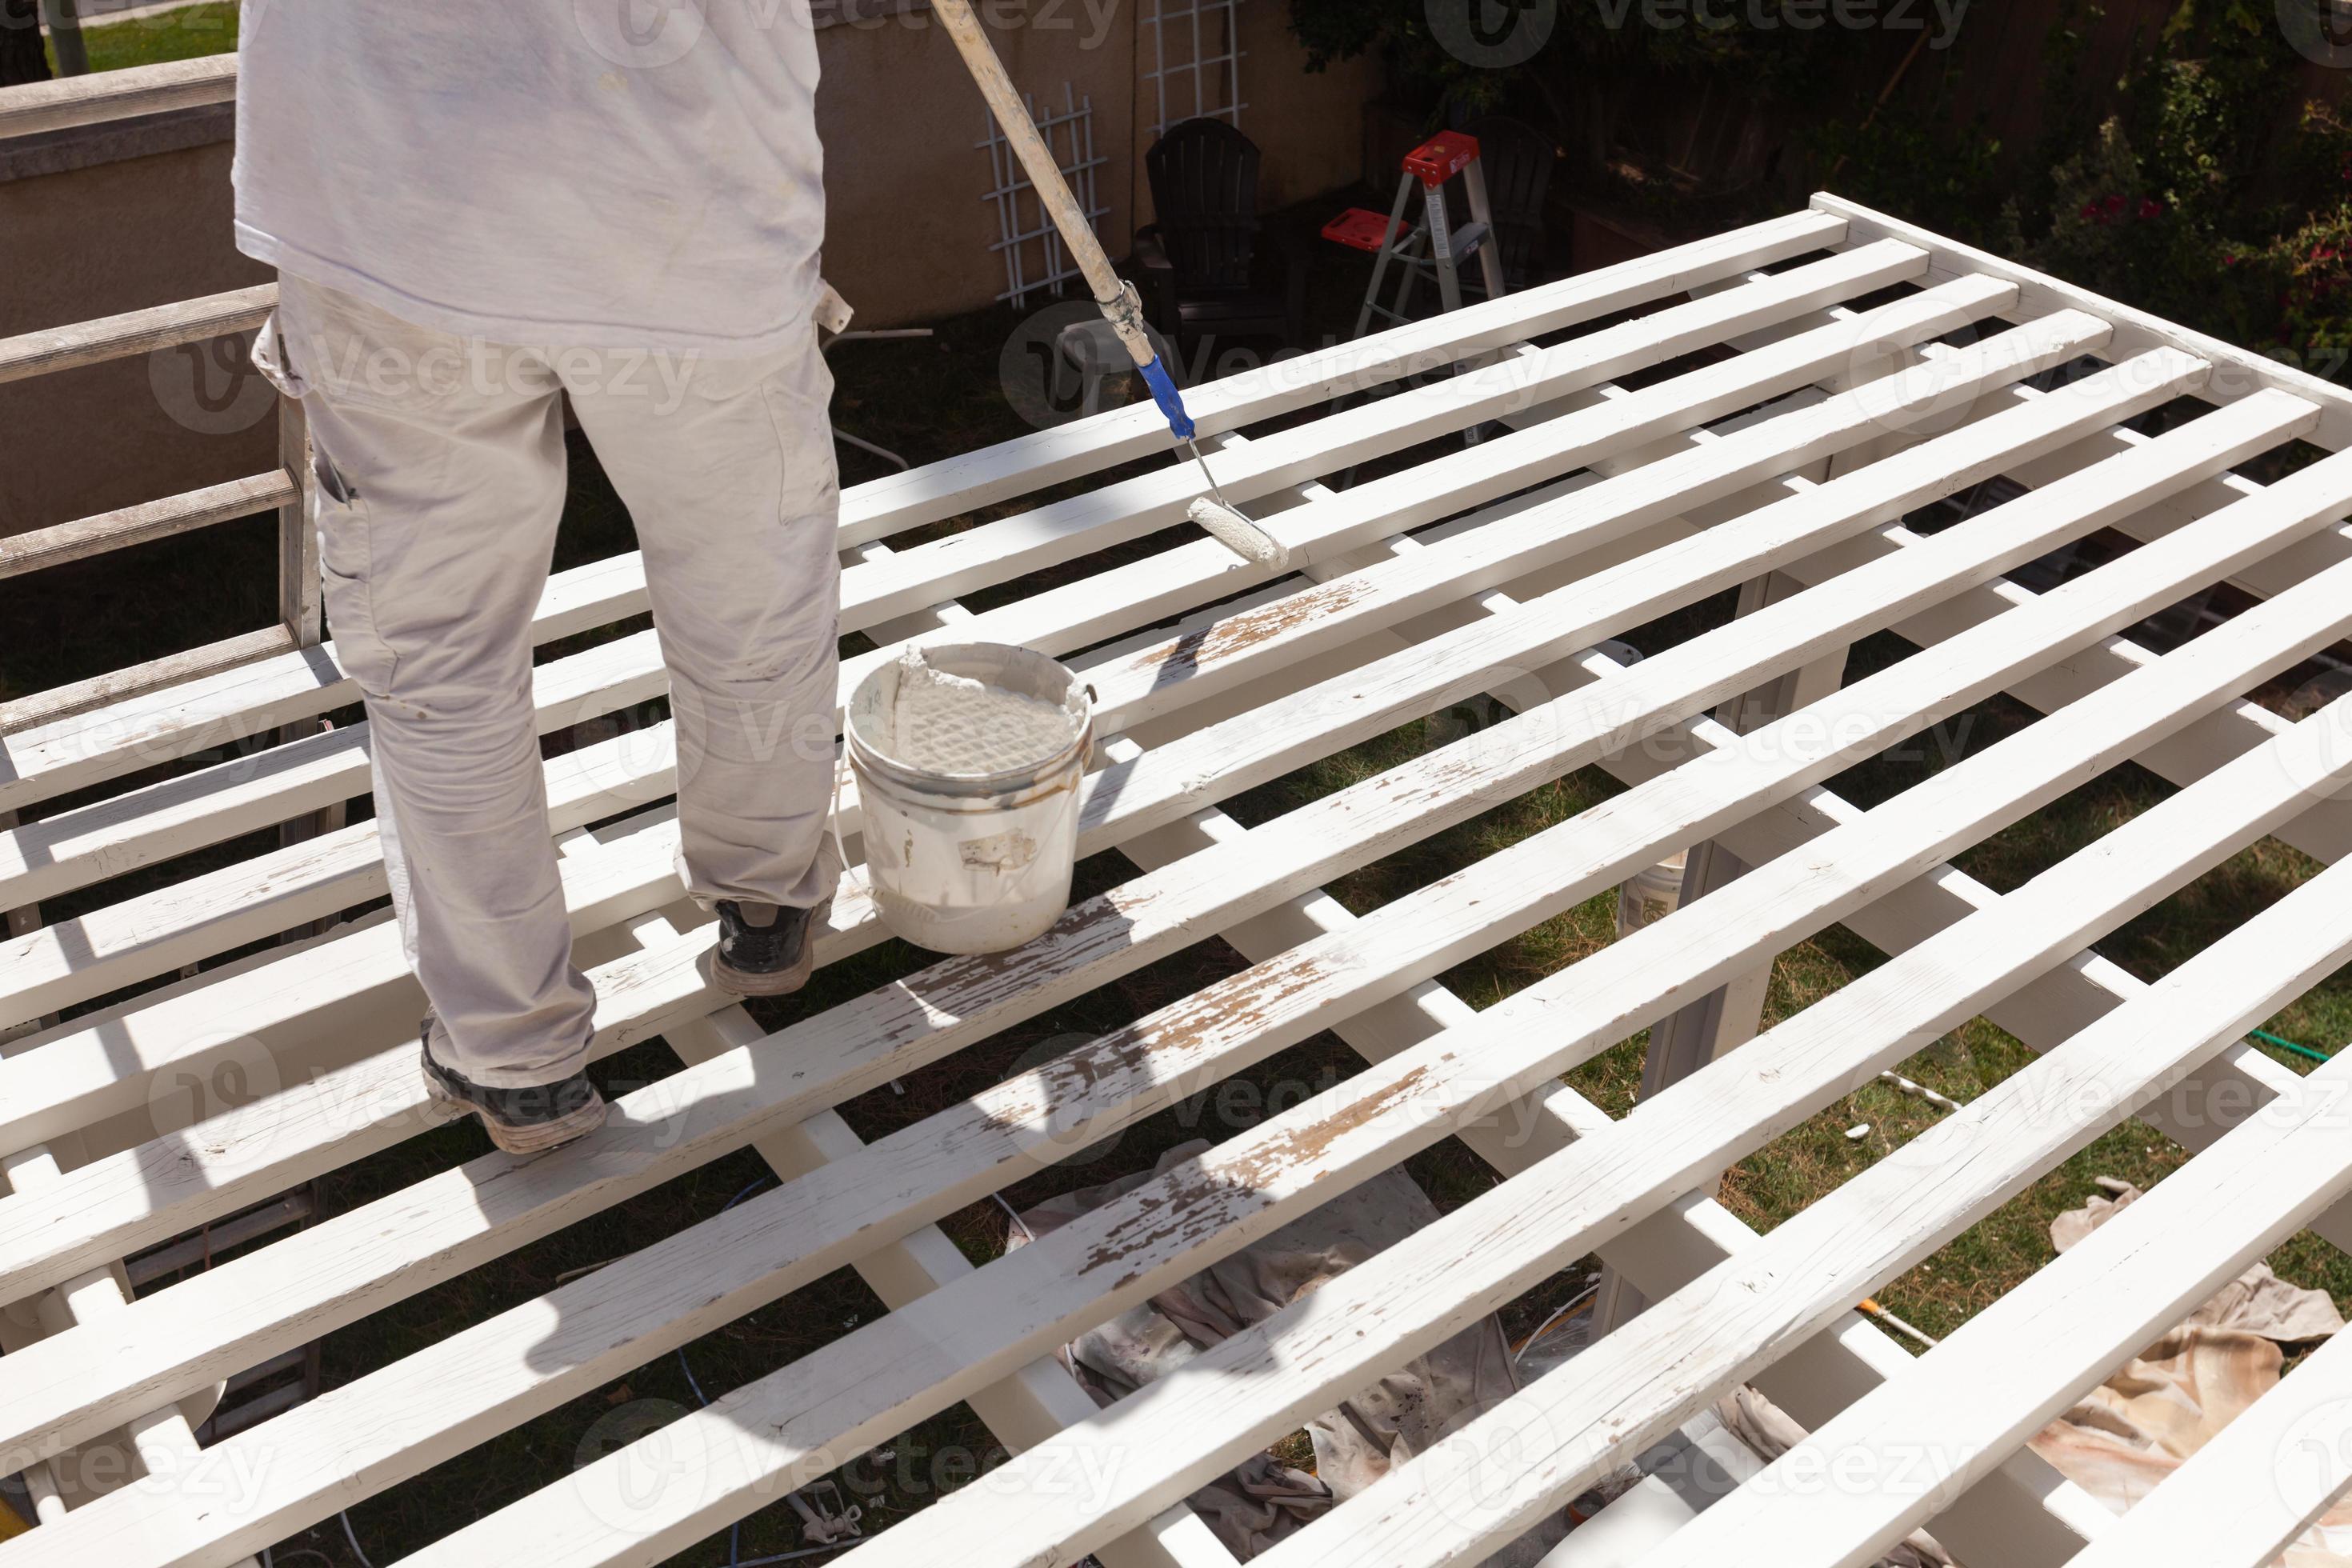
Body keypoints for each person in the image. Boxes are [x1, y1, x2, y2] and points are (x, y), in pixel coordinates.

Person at [234, 3, 842, 1154]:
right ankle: (764, 900)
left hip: (388, 203)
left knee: (440, 662)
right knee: (749, 592)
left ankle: (515, 1058)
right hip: (690, 193)